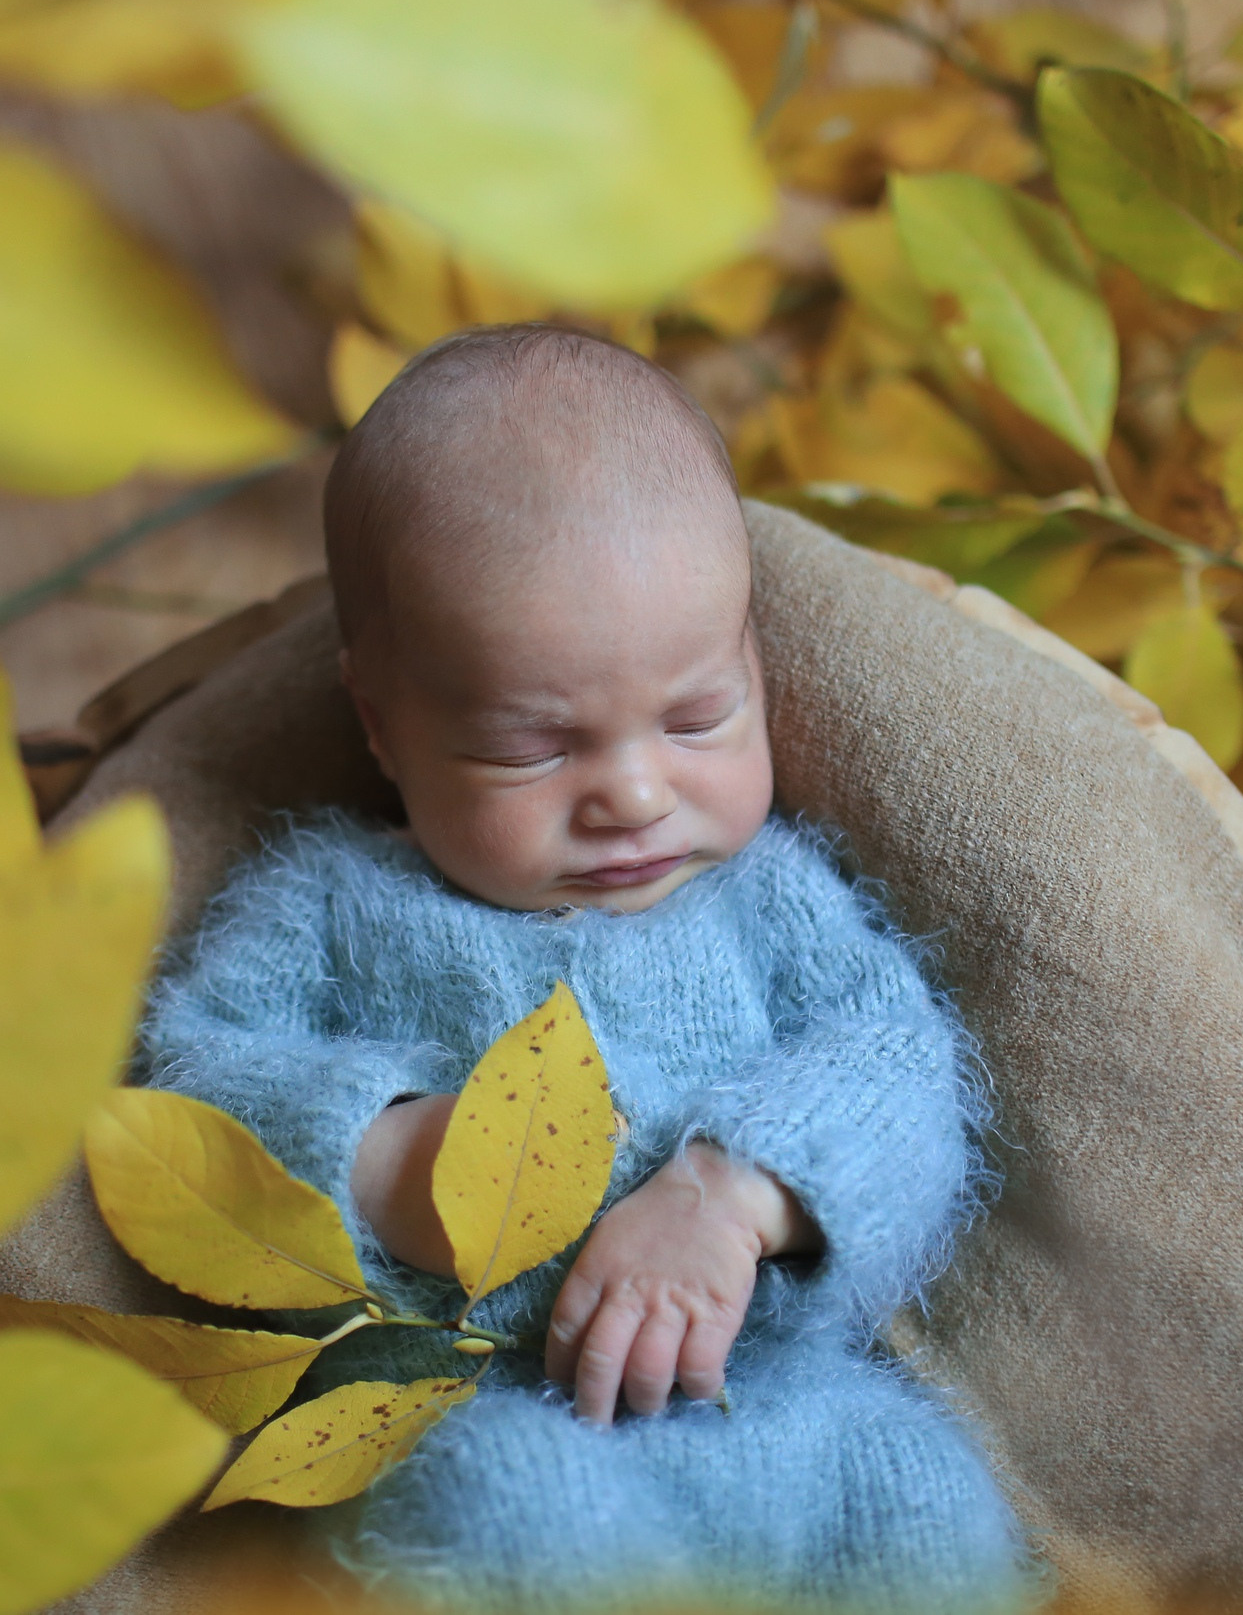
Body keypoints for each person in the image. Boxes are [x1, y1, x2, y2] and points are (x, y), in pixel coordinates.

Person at [137, 324, 1031, 1612]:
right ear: (383, 725)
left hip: (789, 1418)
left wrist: (735, 1196)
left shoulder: (766, 895)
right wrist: (377, 1156)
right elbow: (194, 1082)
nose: (632, 793)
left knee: (922, 1504)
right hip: (490, 1409)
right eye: (530, 749)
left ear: (756, 671)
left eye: (696, 717)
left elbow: (896, 1061)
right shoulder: (334, 902)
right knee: (510, 1513)